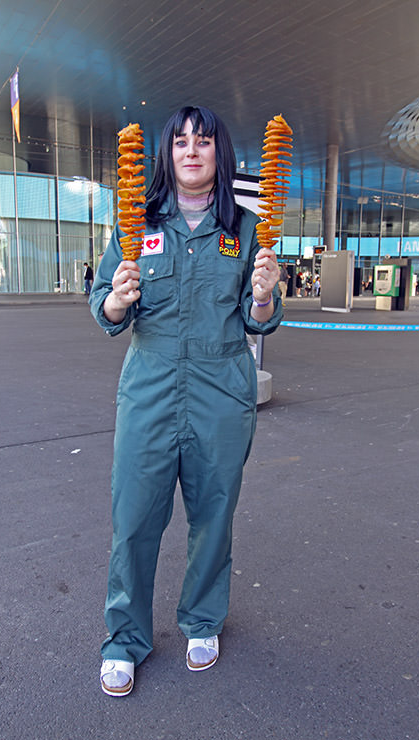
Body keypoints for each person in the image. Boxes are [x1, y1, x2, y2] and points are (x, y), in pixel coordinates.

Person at [89, 105, 282, 697]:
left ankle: (202, 619)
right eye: (180, 142)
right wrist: (119, 298)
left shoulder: (245, 231)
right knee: (134, 518)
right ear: (166, 154)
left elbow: (262, 322)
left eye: (203, 141)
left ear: (219, 154)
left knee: (213, 515)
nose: (191, 151)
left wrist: (267, 297)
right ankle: (124, 639)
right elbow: (103, 308)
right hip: (149, 388)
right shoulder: (134, 224)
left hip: (222, 392)